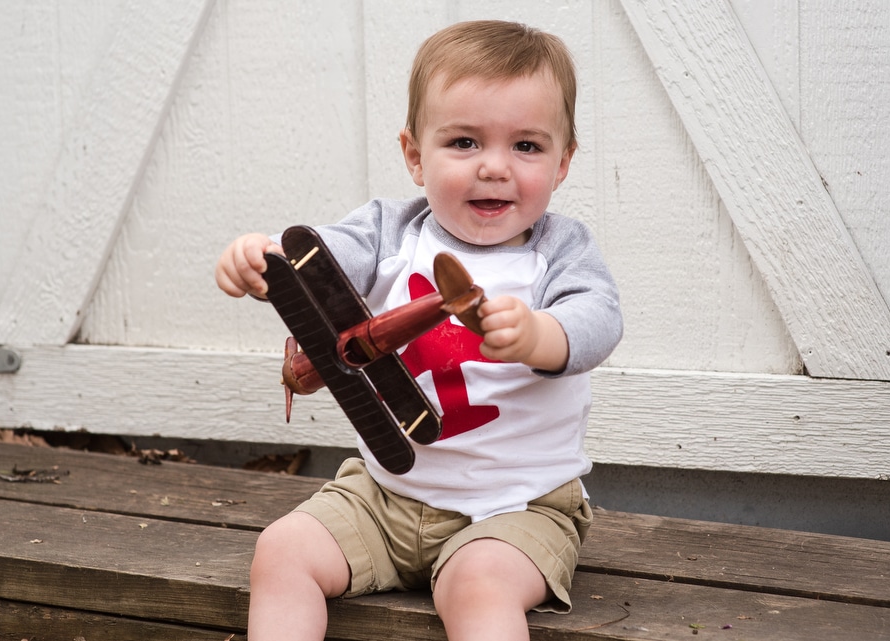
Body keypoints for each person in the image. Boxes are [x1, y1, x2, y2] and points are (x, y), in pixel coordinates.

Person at [215, 19, 623, 641]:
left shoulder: (559, 252)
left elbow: (598, 320)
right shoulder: (390, 231)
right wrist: (263, 258)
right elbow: (321, 262)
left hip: (517, 508)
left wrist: (542, 336)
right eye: (463, 142)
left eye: (527, 147)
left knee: (478, 587)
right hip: (383, 495)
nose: (493, 167)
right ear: (414, 155)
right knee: (282, 550)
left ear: (564, 162)